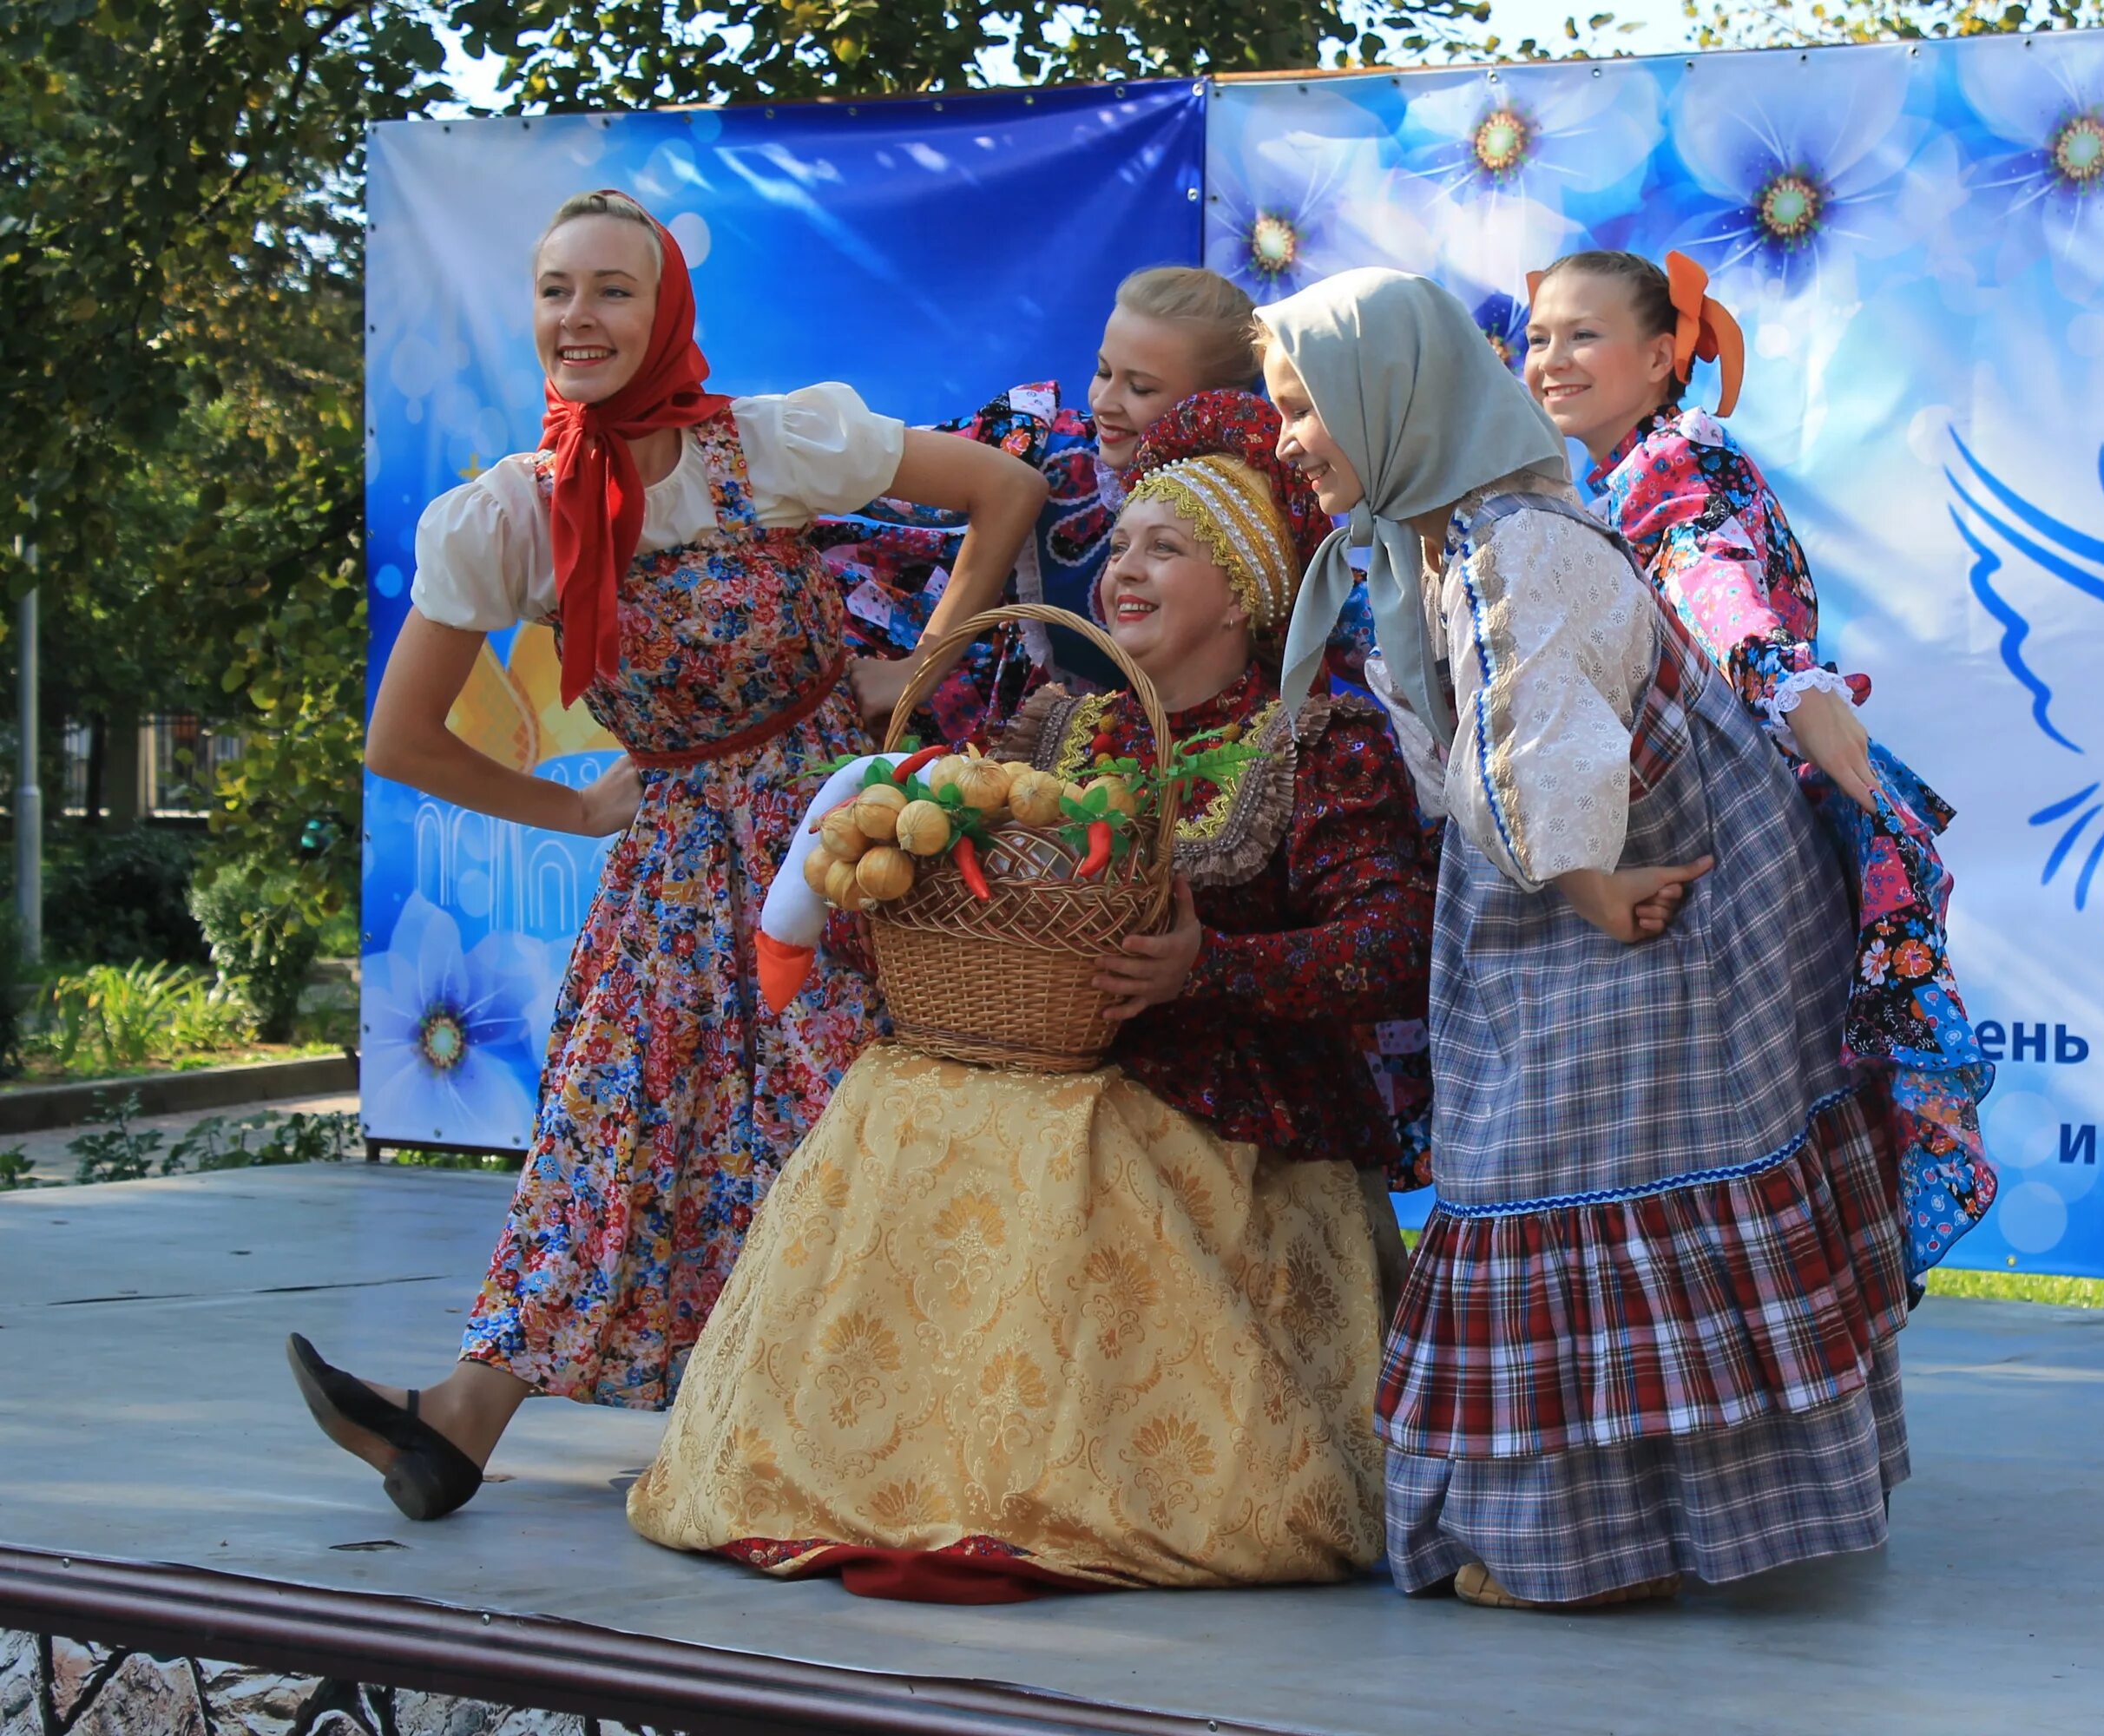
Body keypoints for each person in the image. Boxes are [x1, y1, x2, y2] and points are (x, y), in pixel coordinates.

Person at [287, 190, 1048, 1522]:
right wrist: (576, 811)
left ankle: (879, 1417)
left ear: (665, 310)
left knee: (848, 1118)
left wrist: (912, 677)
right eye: (554, 291)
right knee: (613, 1122)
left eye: (611, 290)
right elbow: (402, 741)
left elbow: (1007, 490)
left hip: (837, 842)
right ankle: (461, 1419)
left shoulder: (766, 446)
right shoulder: (508, 517)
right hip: (679, 863)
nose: (578, 318)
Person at [626, 394, 1435, 1601]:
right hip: (1042, 1061)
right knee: (895, 1091)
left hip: (1226, 1111)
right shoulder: (1064, 724)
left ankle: (1043, 1488)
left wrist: (1206, 968)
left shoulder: (1320, 738)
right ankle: (868, 1473)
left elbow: (1394, 945)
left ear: (1249, 588)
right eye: (1120, 546)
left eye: (1169, 548)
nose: (1124, 568)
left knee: (1071, 1138)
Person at [1258, 268, 1909, 1611]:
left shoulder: (1519, 546)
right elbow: (1485, 763)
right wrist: (1570, 875)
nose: (1287, 441)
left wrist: (1592, 884)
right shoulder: (1431, 545)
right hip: (1572, 880)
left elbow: (1545, 746)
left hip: (1658, 888)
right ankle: (1594, 1529)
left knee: (1573, 1171)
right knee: (1558, 1172)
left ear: (1393, 398)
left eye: (1303, 409)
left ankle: (1592, 1548)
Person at [1525, 247, 1996, 1284]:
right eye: (1539, 337)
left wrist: (1795, 686)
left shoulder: (1678, 468)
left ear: (1660, 357)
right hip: (1711, 825)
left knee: (1722, 1133)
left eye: (1582, 335)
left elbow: (1713, 577)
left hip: (1735, 837)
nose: (1551, 359)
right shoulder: (1611, 479)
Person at [826, 266, 1262, 744]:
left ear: (1217, 406)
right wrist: (915, 668)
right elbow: (853, 465)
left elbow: (1341, 625)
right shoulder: (1048, 453)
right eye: (1103, 371)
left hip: (1186, 754)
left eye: (1140, 388)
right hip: (1005, 731)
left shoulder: (1262, 514)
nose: (1106, 401)